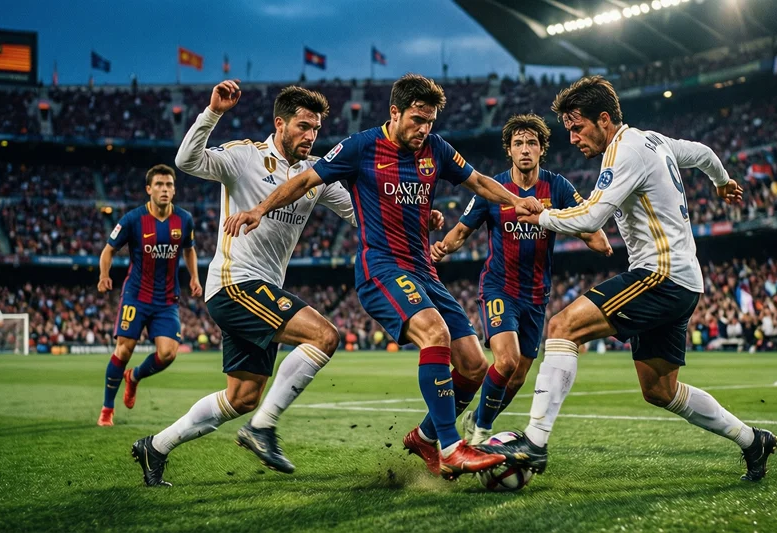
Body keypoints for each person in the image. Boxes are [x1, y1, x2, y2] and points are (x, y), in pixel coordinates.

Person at [222, 74, 545, 479]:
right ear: (395, 112)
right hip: (382, 269)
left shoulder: (436, 148)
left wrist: (518, 201)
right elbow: (305, 179)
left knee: (474, 365)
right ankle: (450, 446)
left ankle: (425, 437)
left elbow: (478, 181)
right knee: (435, 334)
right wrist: (258, 210)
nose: (423, 129)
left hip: (424, 270)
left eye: (429, 121)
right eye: (416, 119)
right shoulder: (362, 146)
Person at [479, 76, 777, 482]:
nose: (572, 138)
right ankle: (752, 440)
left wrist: (540, 214)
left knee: (563, 327)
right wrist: (722, 181)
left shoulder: (624, 151)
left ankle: (534, 440)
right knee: (660, 390)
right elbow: (705, 153)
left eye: (577, 127)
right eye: (567, 129)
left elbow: (591, 218)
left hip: (660, 274)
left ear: (604, 119)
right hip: (684, 280)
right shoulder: (653, 140)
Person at [132, 81, 359, 487]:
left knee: (242, 398)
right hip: (235, 284)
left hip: (262, 291)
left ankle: (156, 446)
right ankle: (263, 428)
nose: (310, 136)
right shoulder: (244, 157)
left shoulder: (316, 173)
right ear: (280, 123)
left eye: (316, 129)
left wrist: (417, 220)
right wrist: (213, 113)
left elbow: (360, 216)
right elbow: (186, 160)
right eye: (303, 126)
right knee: (324, 336)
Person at [430, 113, 612, 444]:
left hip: (536, 295)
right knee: (507, 359)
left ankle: (478, 418)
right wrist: (442, 248)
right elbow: (462, 230)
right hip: (500, 287)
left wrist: (568, 225)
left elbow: (593, 233)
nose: (525, 149)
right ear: (509, 151)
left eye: (531, 143)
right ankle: (480, 429)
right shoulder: (494, 189)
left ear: (542, 150)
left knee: (516, 376)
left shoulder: (557, 187)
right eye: (518, 144)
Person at [97, 164, 201, 427]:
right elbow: (108, 251)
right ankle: (107, 408)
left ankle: (134, 378)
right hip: (136, 295)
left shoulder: (184, 219)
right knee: (124, 349)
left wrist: (195, 277)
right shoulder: (132, 219)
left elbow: (189, 250)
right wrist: (104, 275)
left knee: (168, 354)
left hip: (167, 299)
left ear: (174, 190)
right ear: (149, 189)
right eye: (159, 185)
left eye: (168, 185)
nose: (164, 189)